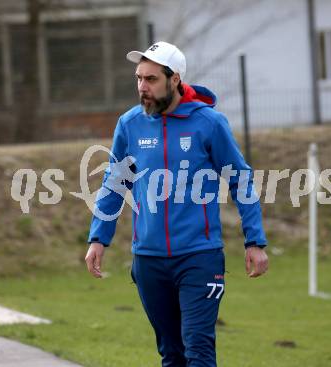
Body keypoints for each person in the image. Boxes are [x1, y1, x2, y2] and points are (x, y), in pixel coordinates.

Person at [85, 41, 268, 367]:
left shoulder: (209, 123)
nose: (143, 87)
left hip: (200, 258)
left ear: (174, 79)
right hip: (149, 261)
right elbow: (115, 182)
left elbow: (241, 180)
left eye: (151, 79)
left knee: (198, 351)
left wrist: (255, 240)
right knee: (172, 355)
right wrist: (99, 238)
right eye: (139, 79)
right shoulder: (130, 124)